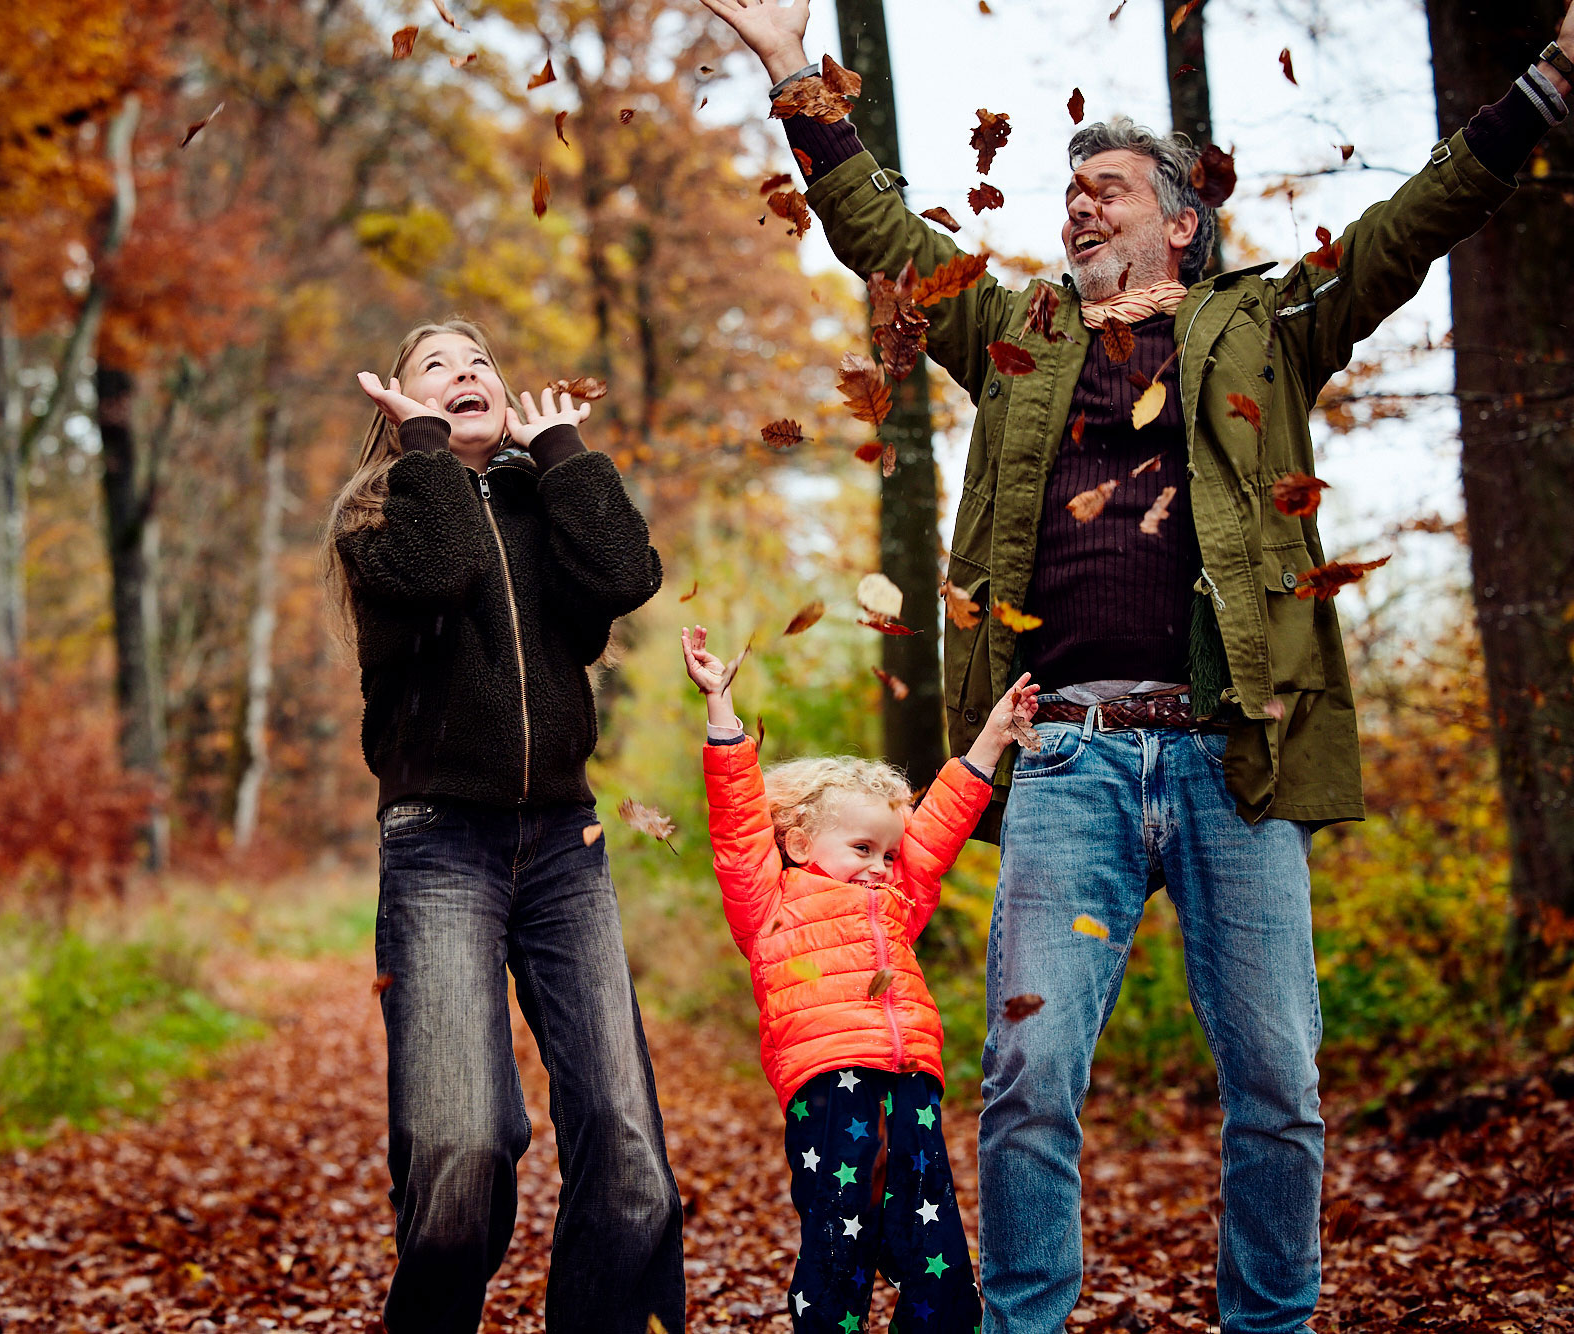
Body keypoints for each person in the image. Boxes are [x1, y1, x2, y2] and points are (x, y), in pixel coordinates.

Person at [696, 0, 1574, 1330]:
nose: (1078, 209)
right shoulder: (1020, 337)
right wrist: (788, 74)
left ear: (1183, 222)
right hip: (1069, 757)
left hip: (1236, 755)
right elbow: (879, 233)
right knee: (1031, 1069)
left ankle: (1266, 1322)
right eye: (1068, 195)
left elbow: (1413, 224)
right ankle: (1027, 1321)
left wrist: (1549, 85)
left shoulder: (1268, 328)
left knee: (1278, 1083)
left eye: (1107, 189)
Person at [324, 319, 683, 1333]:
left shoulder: (542, 502)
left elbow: (624, 575)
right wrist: (429, 452)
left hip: (563, 846)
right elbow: (436, 572)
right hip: (442, 846)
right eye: (434, 366)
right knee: (461, 1144)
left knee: (629, 1157)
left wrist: (563, 454)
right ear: (397, 407)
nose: (464, 372)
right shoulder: (380, 518)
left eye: (477, 360)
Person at [681, 624, 1037, 1333]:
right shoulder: (770, 904)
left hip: (910, 1086)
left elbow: (937, 829)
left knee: (932, 1245)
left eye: (887, 850)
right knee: (838, 1242)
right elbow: (736, 824)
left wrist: (992, 740)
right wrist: (721, 709)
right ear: (800, 842)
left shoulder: (898, 899)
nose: (881, 864)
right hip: (832, 1088)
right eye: (863, 847)